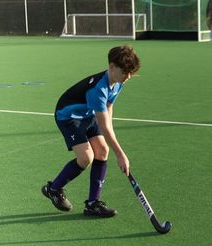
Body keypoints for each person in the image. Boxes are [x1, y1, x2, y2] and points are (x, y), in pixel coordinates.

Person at [42, 45, 141, 218]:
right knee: (86, 157)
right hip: (68, 116)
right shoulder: (98, 90)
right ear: (112, 67)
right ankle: (53, 189)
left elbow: (109, 107)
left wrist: (110, 133)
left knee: (102, 151)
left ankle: (93, 204)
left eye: (130, 73)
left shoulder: (118, 82)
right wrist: (121, 154)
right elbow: (104, 127)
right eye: (125, 72)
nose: (128, 77)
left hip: (88, 114)